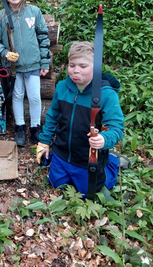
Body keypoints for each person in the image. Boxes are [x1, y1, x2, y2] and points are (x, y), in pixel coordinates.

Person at [36, 41, 125, 198]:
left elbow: (116, 127)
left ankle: (113, 163)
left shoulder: (107, 94)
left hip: (88, 158)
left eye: (83, 66)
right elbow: (52, 116)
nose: (76, 70)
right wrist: (45, 142)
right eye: (72, 65)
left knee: (88, 193)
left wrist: (104, 139)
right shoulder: (62, 87)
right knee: (57, 184)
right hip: (62, 153)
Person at [0, 0, 51, 146]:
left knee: (35, 97)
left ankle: (36, 128)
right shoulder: (0, 17)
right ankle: (20, 127)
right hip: (13, 68)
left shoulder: (34, 12)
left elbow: (43, 38)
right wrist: (5, 53)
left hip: (32, 65)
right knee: (16, 96)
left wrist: (44, 63)